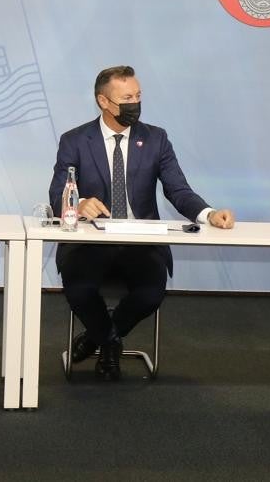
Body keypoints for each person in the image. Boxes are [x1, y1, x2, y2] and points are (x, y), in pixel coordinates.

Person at [48, 65, 235, 381]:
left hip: (140, 242)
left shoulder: (156, 139)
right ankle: (109, 345)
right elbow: (57, 193)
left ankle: (99, 339)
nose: (135, 103)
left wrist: (209, 214)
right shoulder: (75, 140)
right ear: (103, 102)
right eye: (126, 97)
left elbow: (178, 189)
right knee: (78, 289)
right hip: (90, 243)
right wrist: (77, 204)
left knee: (151, 293)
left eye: (138, 95)